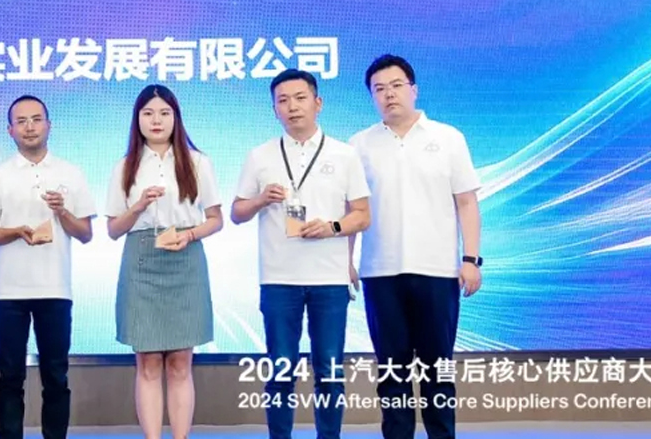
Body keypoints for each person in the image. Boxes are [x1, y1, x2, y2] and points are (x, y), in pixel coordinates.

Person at [231, 69, 370, 439]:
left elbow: (362, 215)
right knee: (281, 371)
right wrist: (261, 200)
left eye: (300, 98)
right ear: (274, 109)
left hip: (329, 280)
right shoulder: (260, 156)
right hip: (279, 279)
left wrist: (332, 227)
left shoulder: (345, 155)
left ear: (317, 103)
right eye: (283, 100)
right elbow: (237, 213)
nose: (292, 107)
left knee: (329, 373)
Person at [351, 54, 483, 439]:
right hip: (380, 273)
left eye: (396, 86)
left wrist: (471, 259)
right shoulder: (359, 145)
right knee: (392, 373)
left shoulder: (448, 138)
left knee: (437, 370)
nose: (388, 94)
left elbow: (466, 202)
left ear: (414, 89)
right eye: (379, 89)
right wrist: (346, 261)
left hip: (437, 271)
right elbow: (353, 209)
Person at [105, 84, 223, 439]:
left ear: (176, 117)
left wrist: (190, 235)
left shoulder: (198, 162)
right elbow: (113, 229)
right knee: (148, 361)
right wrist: (138, 206)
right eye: (148, 113)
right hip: (141, 260)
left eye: (164, 113)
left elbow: (216, 219)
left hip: (185, 258)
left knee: (180, 362)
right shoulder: (125, 166)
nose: (156, 120)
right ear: (137, 119)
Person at [0, 95, 95, 439]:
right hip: (9, 292)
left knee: (56, 376)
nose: (30, 127)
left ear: (49, 125)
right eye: (21, 121)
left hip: (55, 289)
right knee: (10, 377)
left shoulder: (71, 173)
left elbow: (85, 233)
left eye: (36, 119)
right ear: (10, 130)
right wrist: (16, 231)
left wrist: (62, 211)